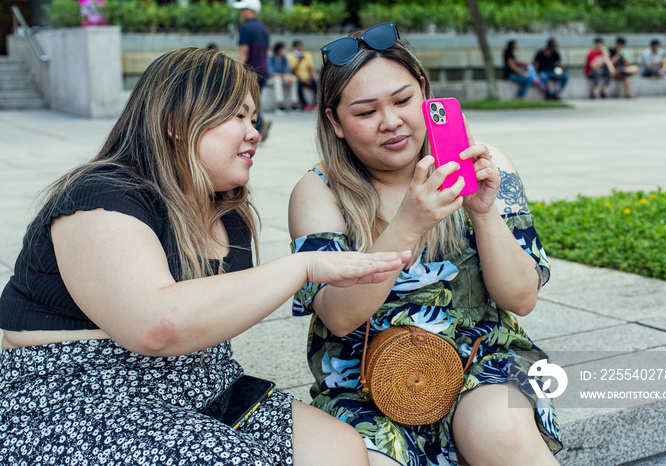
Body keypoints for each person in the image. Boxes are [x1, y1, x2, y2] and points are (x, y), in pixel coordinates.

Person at [0, 47, 412, 465]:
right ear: (178, 121)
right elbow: (155, 327)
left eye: (254, 118)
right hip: (78, 393)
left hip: (202, 383)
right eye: (238, 116)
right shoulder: (101, 196)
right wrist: (301, 265)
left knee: (341, 451)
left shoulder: (225, 212)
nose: (254, 131)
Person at [288, 22, 562, 466]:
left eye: (402, 100)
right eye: (364, 112)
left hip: (481, 364)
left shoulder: (491, 163)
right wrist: (408, 224)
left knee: (503, 430)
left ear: (425, 92)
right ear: (334, 121)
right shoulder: (318, 191)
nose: (391, 122)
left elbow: (521, 297)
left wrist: (482, 211)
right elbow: (339, 316)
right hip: (367, 383)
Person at [233, 0, 272, 142]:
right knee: (255, 101)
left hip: (250, 72)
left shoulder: (246, 28)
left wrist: (238, 70)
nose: (241, 13)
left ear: (251, 10)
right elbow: (267, 52)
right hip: (263, 71)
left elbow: (243, 50)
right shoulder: (263, 29)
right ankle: (260, 123)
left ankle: (259, 124)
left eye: (244, 9)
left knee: (247, 103)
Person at [268, 41, 301, 114]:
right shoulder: (271, 58)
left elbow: (288, 71)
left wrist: (288, 77)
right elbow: (272, 73)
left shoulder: (284, 59)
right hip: (272, 79)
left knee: (294, 79)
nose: (285, 50)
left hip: (283, 77)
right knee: (277, 80)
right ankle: (280, 106)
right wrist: (284, 76)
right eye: (284, 49)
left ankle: (293, 104)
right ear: (278, 50)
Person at [288, 40, 319, 112]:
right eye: (297, 47)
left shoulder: (307, 55)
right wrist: (299, 61)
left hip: (307, 78)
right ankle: (305, 105)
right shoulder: (290, 56)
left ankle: (315, 103)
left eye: (300, 46)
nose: (299, 48)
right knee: (298, 87)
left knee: (316, 85)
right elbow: (291, 71)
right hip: (298, 78)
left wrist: (315, 78)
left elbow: (311, 68)